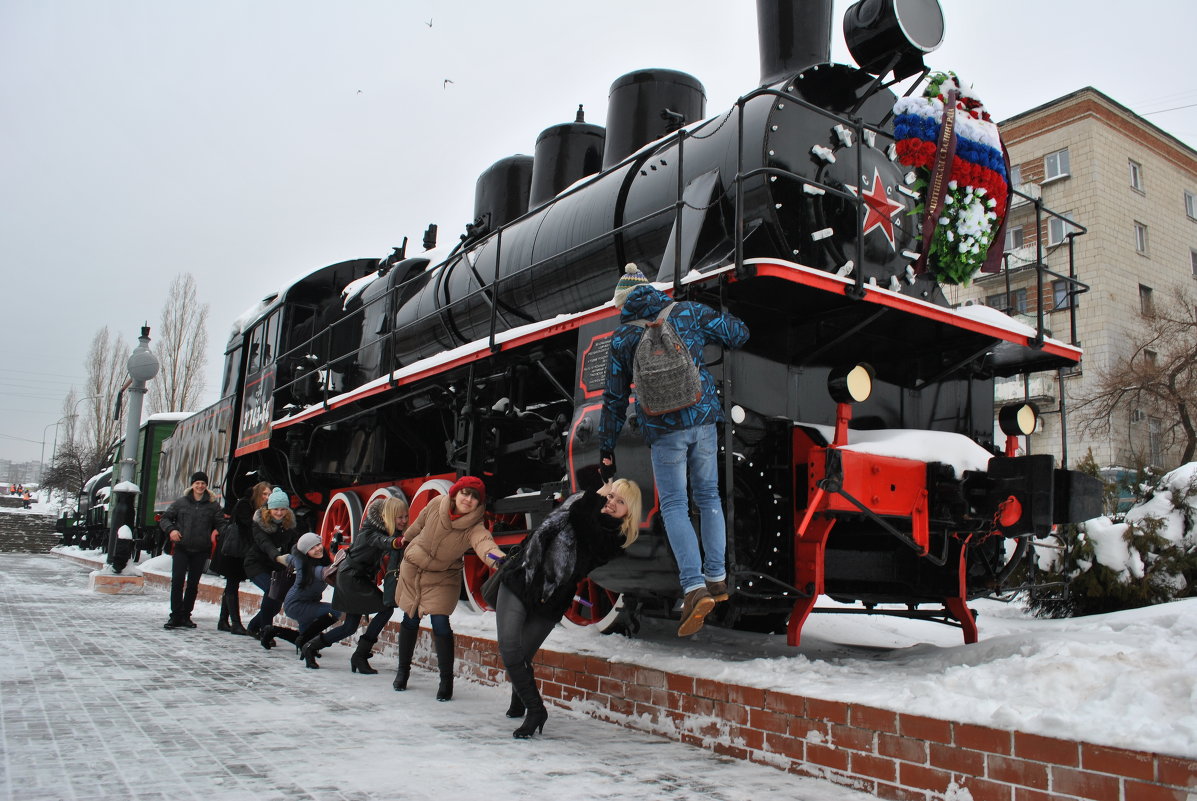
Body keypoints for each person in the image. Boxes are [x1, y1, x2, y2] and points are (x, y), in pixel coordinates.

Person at [598, 263, 749, 637]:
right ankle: (717, 579)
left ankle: (694, 587)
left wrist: (606, 447)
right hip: (702, 422)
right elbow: (738, 334)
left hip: (663, 431)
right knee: (709, 496)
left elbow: (615, 400)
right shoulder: (686, 311)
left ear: (623, 303)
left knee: (675, 506)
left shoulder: (621, 339)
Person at [495, 465, 641, 739]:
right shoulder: (581, 502)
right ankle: (535, 708)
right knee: (511, 650)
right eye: (611, 497)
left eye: (620, 502)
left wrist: (597, 495)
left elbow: (583, 522)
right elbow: (584, 476)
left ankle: (525, 703)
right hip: (522, 578)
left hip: (551, 599)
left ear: (629, 512)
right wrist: (603, 474)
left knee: (522, 655)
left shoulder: (613, 540)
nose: (612, 503)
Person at [393, 476, 505, 700]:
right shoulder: (436, 504)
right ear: (455, 493)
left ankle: (446, 681)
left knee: (440, 623)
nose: (468, 499)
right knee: (410, 619)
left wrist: (501, 561)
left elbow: (485, 545)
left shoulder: (474, 526)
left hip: (443, 575)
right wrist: (404, 539)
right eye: (465, 493)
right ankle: (402, 671)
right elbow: (419, 523)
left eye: (474, 497)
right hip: (414, 569)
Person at [301, 495, 410, 674]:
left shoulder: (389, 531)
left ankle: (311, 647)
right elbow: (381, 541)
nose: (404, 520)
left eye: (406, 516)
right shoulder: (371, 530)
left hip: (357, 578)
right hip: (351, 578)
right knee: (385, 608)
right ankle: (360, 655)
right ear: (389, 516)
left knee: (349, 627)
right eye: (400, 517)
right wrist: (397, 542)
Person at [159, 471, 224, 630]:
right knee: (178, 581)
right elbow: (165, 518)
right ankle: (175, 615)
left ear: (206, 486)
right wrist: (171, 530)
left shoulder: (213, 506)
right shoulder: (181, 503)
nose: (200, 486)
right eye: (197, 483)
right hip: (182, 548)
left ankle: (186, 615)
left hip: (201, 550)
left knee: (193, 584)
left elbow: (220, 523)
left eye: (203, 483)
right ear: (192, 485)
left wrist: (225, 532)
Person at [213, 481, 270, 635]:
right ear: (257, 493)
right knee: (232, 583)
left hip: (241, 550)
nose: (267, 497)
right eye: (264, 494)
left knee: (232, 583)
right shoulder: (245, 505)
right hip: (234, 550)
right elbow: (247, 526)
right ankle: (236, 623)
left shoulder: (260, 508)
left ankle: (223, 621)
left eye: (269, 494)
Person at [244, 487, 299, 642]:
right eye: (276, 509)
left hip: (276, 566)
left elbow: (296, 542)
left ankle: (253, 626)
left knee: (275, 603)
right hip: (256, 564)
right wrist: (277, 556)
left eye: (283, 509)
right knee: (271, 590)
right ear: (269, 509)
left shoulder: (289, 523)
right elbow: (264, 543)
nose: (279, 513)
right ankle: (266, 630)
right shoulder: (259, 522)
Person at [284, 533, 340, 668]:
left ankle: (272, 631)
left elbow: (291, 559)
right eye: (312, 548)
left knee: (305, 636)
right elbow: (326, 572)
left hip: (307, 602)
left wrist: (284, 558)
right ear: (305, 553)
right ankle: (304, 641)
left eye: (318, 544)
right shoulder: (314, 569)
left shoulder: (302, 560)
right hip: (297, 605)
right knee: (335, 610)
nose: (318, 549)